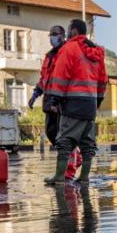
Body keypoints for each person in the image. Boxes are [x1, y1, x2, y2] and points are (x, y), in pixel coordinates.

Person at [44, 18, 107, 186]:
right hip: (90, 105)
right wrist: (97, 101)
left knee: (64, 141)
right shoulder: (97, 52)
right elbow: (102, 80)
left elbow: (61, 75)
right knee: (87, 144)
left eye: (68, 29)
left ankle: (59, 177)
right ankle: (84, 177)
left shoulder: (69, 48)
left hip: (72, 105)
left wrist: (54, 99)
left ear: (73, 31)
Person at [29, 25, 80, 181]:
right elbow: (44, 78)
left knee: (63, 137)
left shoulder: (66, 52)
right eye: (50, 34)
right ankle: (74, 159)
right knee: (52, 133)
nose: (52, 37)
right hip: (49, 100)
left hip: (62, 101)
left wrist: (60, 101)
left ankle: (68, 170)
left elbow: (67, 77)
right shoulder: (49, 56)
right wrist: (35, 94)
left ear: (63, 35)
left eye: (55, 34)